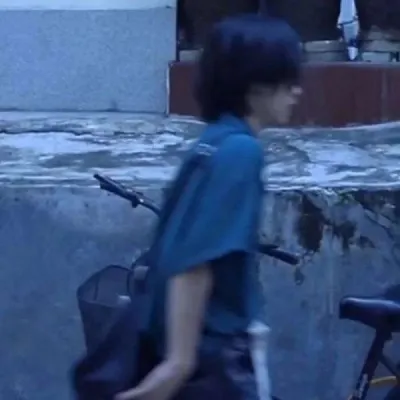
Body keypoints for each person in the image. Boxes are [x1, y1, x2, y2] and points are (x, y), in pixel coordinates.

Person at [116, 13, 302, 400]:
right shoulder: (241, 152)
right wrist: (179, 364)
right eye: (286, 80)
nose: (296, 92)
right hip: (214, 360)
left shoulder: (211, 143)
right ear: (256, 85)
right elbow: (197, 262)